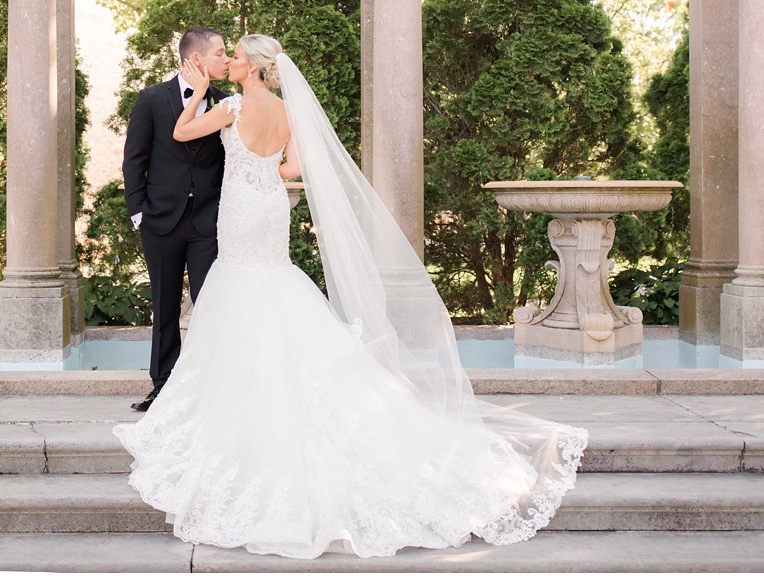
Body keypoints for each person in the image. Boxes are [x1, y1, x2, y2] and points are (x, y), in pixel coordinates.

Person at [114, 34, 587, 559]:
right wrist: (262, 166)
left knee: (239, 288)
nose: (231, 62)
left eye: (238, 57)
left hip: (241, 211)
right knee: (273, 282)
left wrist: (203, 95)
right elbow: (293, 169)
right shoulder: (287, 110)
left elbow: (182, 131)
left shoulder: (231, 107)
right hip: (270, 206)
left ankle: (239, 392)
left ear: (254, 68)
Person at [122, 27, 230, 412]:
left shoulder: (225, 102)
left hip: (208, 222)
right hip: (160, 220)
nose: (226, 59)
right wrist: (139, 213)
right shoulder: (152, 99)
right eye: (220, 53)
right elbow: (134, 160)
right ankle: (163, 387)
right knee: (164, 305)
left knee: (210, 304)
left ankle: (208, 385)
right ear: (196, 59)